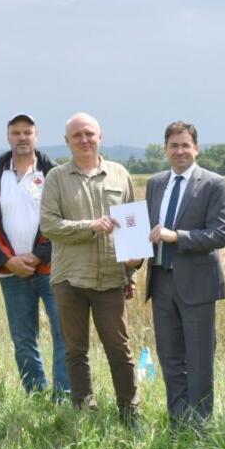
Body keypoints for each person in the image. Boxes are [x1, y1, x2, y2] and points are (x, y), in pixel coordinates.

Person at [40, 112, 143, 424]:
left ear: (100, 137)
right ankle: (84, 412)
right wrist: (91, 226)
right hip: (69, 279)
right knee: (75, 350)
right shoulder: (56, 178)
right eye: (77, 135)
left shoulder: (119, 174)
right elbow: (49, 225)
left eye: (89, 134)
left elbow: (133, 227)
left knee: (119, 349)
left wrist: (131, 272)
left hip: (111, 278)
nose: (84, 140)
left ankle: (130, 413)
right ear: (67, 141)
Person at [144, 121, 225, 427]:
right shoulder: (155, 183)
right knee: (170, 358)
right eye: (174, 146)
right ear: (165, 149)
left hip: (197, 284)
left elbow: (219, 234)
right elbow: (148, 230)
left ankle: (201, 426)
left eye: (185, 145)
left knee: (199, 359)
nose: (179, 151)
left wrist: (177, 236)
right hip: (161, 281)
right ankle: (178, 424)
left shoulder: (213, 184)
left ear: (196, 148)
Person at [0, 113, 69, 399]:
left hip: (51, 269)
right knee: (23, 339)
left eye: (27, 132)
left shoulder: (52, 173)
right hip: (12, 271)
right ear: (8, 137)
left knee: (63, 333)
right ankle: (36, 394)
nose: (22, 138)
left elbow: (61, 219)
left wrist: (39, 256)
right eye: (16, 133)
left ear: (36, 135)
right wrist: (7, 261)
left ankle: (63, 395)